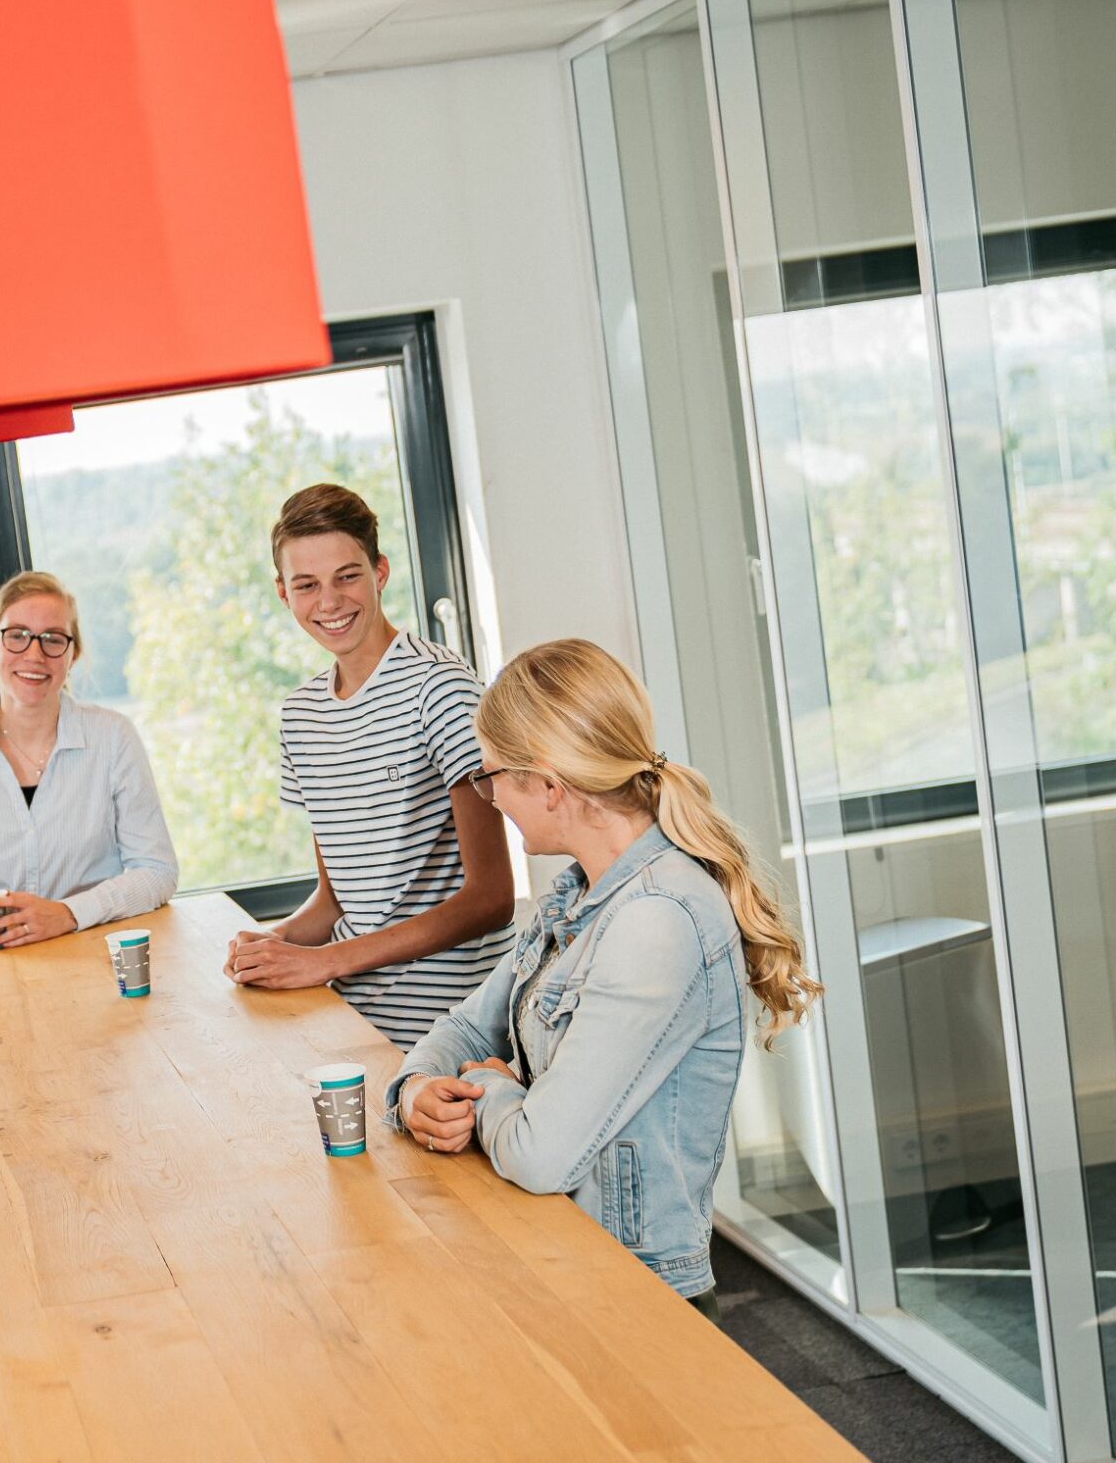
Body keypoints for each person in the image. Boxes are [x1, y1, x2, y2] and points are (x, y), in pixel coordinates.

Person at [385, 638, 822, 1307]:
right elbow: (463, 1029)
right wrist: (416, 1091)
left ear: (550, 787)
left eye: (491, 775)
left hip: (629, 1292)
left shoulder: (655, 922)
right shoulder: (576, 896)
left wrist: (483, 1088)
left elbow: (537, 1155)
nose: (489, 796)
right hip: (559, 1253)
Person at [225, 484, 516, 1047]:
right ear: (283, 593)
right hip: (350, 1018)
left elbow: (492, 898)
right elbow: (336, 900)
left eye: (347, 575)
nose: (329, 602)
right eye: (307, 585)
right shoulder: (301, 715)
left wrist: (326, 961)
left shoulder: (442, 689)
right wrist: (272, 945)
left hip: (451, 1035)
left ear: (380, 571)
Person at [0, 571, 178, 949]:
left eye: (53, 639)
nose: (34, 655)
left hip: (96, 957)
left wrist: (69, 913)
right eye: (17, 635)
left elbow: (157, 872)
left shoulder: (113, 737)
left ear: (73, 655)